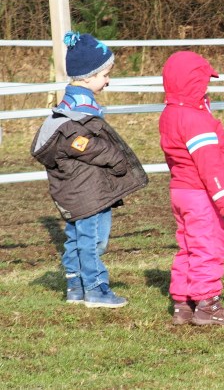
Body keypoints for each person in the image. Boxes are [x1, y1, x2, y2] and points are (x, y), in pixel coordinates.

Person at [31, 31, 148, 308]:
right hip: (89, 192)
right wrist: (115, 158)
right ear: (87, 77)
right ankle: (95, 289)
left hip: (78, 188)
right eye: (105, 74)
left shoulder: (68, 107)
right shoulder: (80, 112)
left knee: (76, 236)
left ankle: (75, 286)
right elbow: (81, 144)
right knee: (93, 239)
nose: (108, 80)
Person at [159, 51, 224, 327]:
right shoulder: (195, 120)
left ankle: (182, 304)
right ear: (192, 82)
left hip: (180, 190)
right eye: (204, 81)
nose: (207, 87)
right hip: (201, 194)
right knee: (207, 246)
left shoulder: (171, 113)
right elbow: (210, 167)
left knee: (187, 246)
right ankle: (208, 304)